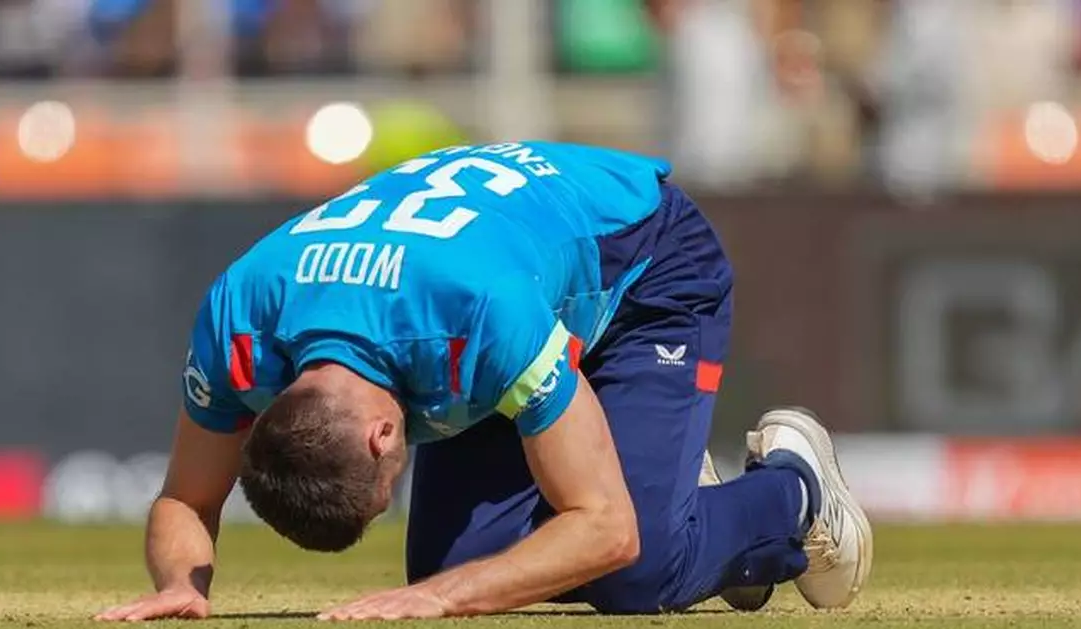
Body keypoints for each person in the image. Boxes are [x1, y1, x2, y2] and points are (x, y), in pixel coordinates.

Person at [95, 141, 872, 622]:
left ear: (384, 432)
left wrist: (440, 599)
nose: (393, 490)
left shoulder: (477, 318)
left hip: (645, 265)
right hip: (503, 275)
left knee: (636, 569)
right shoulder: (238, 323)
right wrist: (181, 583)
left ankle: (796, 487)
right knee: (456, 568)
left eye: (382, 489)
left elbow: (605, 528)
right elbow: (187, 498)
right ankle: (666, 478)